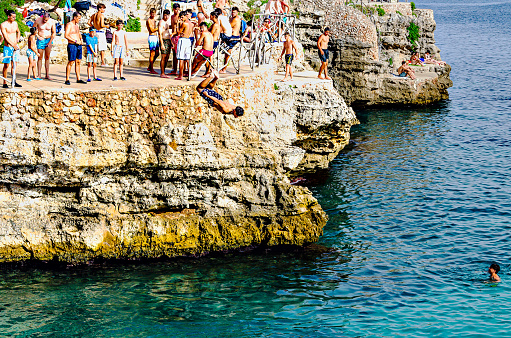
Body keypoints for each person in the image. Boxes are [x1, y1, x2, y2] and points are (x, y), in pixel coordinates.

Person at [1, 9, 21, 88]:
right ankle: (5, 82)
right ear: (8, 16)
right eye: (13, 17)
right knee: (6, 65)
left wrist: (17, 39)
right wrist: (12, 44)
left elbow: (18, 31)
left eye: (15, 17)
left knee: (14, 65)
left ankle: (14, 80)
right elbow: (5, 37)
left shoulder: (15, 23)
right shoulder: (3, 25)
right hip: (8, 47)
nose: (14, 18)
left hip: (15, 46)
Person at [64, 12, 86, 85]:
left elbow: (78, 33)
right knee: (71, 61)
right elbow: (66, 35)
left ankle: (78, 78)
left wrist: (81, 39)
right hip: (72, 44)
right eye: (79, 18)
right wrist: (75, 41)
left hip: (78, 45)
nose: (79, 20)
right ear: (75, 17)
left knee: (78, 61)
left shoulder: (77, 25)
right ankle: (67, 79)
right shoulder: (69, 25)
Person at [33, 13, 55, 80]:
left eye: (46, 20)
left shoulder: (52, 21)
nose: (45, 21)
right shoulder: (38, 20)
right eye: (44, 20)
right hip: (41, 39)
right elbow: (33, 29)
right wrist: (38, 36)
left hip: (48, 39)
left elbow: (54, 32)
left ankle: (47, 74)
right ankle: (39, 74)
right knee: (40, 57)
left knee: (47, 57)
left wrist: (50, 41)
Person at [219, 6, 241, 73]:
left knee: (227, 54)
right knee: (227, 54)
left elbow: (228, 26)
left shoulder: (236, 19)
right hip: (230, 36)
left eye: (234, 12)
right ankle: (224, 68)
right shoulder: (231, 18)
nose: (233, 14)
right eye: (232, 12)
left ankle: (224, 69)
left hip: (234, 37)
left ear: (237, 12)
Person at [202, 10, 221, 78]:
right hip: (213, 42)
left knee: (209, 58)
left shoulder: (215, 25)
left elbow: (210, 34)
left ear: (213, 16)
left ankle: (208, 72)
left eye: (210, 16)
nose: (209, 17)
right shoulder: (215, 24)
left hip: (213, 42)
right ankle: (208, 71)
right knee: (208, 57)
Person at [175, 11, 193, 80]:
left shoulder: (184, 24)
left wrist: (177, 25)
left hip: (183, 40)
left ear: (185, 16)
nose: (181, 19)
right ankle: (189, 74)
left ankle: (180, 75)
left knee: (181, 58)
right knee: (187, 58)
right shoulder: (191, 24)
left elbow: (178, 33)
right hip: (188, 40)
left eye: (182, 17)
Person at [158, 9, 172, 78]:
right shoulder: (161, 22)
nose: (166, 17)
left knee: (167, 56)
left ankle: (164, 71)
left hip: (168, 40)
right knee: (163, 56)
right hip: (163, 40)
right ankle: (162, 73)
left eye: (168, 15)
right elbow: (160, 33)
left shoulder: (167, 22)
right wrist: (162, 44)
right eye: (165, 15)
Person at [146, 8, 159, 74]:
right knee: (152, 53)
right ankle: (151, 69)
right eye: (152, 13)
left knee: (157, 53)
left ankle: (150, 66)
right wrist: (159, 27)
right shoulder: (149, 20)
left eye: (154, 13)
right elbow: (151, 30)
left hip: (155, 37)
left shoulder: (154, 20)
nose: (153, 15)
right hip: (152, 37)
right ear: (150, 13)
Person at [169, 3, 180, 75]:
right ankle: (174, 69)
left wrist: (174, 33)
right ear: (173, 9)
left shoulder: (179, 17)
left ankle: (178, 70)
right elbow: (172, 26)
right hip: (173, 36)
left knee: (177, 54)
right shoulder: (172, 16)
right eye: (176, 9)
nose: (177, 11)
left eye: (178, 9)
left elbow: (179, 28)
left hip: (177, 36)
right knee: (174, 54)